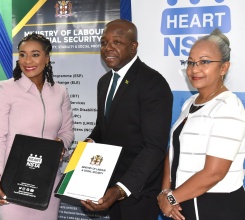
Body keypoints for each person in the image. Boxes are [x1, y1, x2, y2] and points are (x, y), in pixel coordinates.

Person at [80, 19, 173, 220]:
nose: (108, 48)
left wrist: (121, 189)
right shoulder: (104, 82)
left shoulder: (153, 83)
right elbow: (102, 128)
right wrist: (88, 145)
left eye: (117, 42)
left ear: (133, 46)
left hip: (138, 191)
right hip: (109, 186)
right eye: (104, 42)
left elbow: (154, 147)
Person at [157, 29, 245, 220]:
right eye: (190, 62)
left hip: (216, 207)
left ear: (224, 67)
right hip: (183, 201)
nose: (194, 69)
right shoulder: (191, 102)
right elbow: (173, 151)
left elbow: (215, 173)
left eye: (204, 62)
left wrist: (171, 198)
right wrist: (165, 191)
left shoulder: (228, 106)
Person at [0, 33, 74, 220]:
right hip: (11, 179)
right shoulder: (6, 89)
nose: (28, 60)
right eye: (22, 54)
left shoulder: (60, 91)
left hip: (48, 179)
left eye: (35, 54)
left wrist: (62, 145)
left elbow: (67, 131)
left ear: (47, 58)